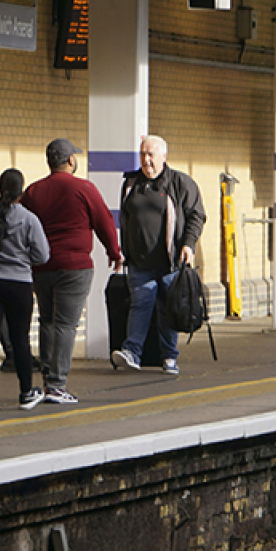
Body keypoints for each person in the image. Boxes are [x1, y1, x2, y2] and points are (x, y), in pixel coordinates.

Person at [22, 138, 123, 404]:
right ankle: (57, 385)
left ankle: (47, 380)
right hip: (74, 266)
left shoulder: (33, 191)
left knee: (47, 321)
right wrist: (114, 252)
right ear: (70, 160)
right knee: (66, 325)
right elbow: (104, 222)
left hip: (42, 267)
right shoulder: (84, 188)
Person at [111, 134, 205, 376]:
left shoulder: (180, 183)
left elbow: (197, 215)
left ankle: (169, 356)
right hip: (139, 262)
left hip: (170, 263)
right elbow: (126, 218)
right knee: (140, 304)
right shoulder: (131, 184)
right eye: (142, 154)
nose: (146, 159)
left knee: (167, 310)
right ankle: (132, 351)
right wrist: (123, 251)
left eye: (151, 154)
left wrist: (188, 245)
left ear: (164, 156)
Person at [0, 169, 51, 412]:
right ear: (21, 191)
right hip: (20, 285)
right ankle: (26, 393)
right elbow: (43, 255)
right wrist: (22, 258)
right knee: (20, 340)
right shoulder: (29, 219)